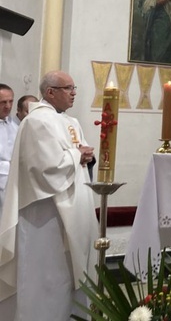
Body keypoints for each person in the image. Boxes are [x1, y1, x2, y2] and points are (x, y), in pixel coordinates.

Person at [0, 71, 98, 320]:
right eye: (68, 88)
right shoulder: (37, 122)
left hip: (73, 208)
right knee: (47, 276)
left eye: (74, 87)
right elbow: (47, 168)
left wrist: (85, 156)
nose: (74, 93)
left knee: (68, 275)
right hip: (45, 215)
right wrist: (79, 156)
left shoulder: (70, 122)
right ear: (50, 92)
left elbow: (78, 153)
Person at [0, 84, 18, 220]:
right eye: (3, 102)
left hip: (13, 181)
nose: (8, 106)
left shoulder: (14, 125)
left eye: (11, 101)